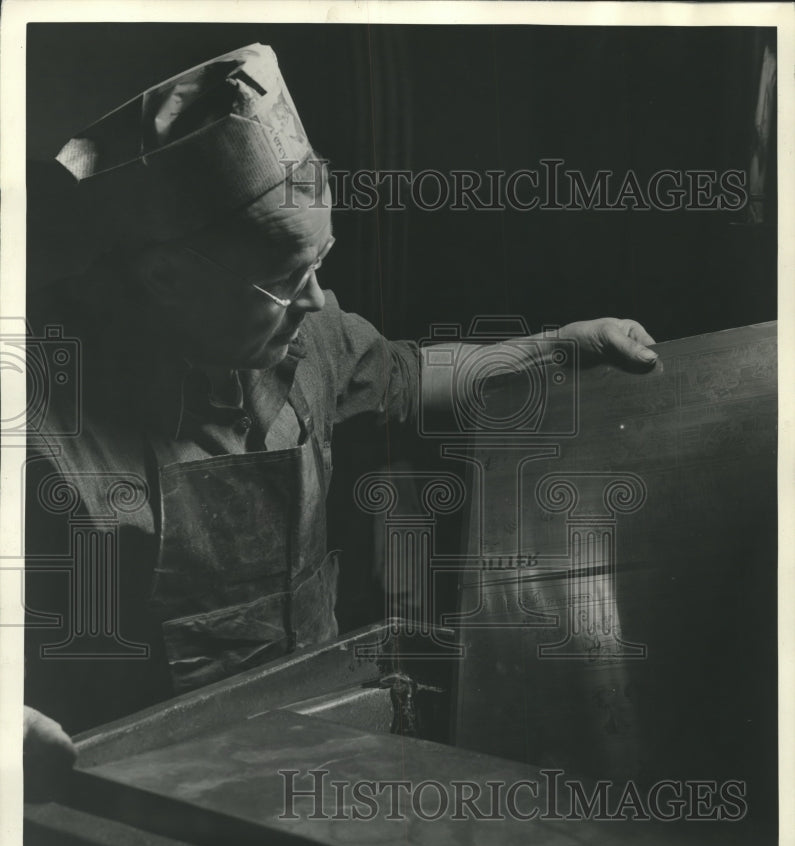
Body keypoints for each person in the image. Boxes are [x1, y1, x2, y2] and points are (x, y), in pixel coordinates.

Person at [23, 43, 658, 798]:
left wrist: (558, 348)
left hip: (317, 740)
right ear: (165, 279)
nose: (318, 301)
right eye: (288, 278)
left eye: (319, 264)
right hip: (131, 793)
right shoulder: (40, 406)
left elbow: (407, 374)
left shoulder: (306, 337)